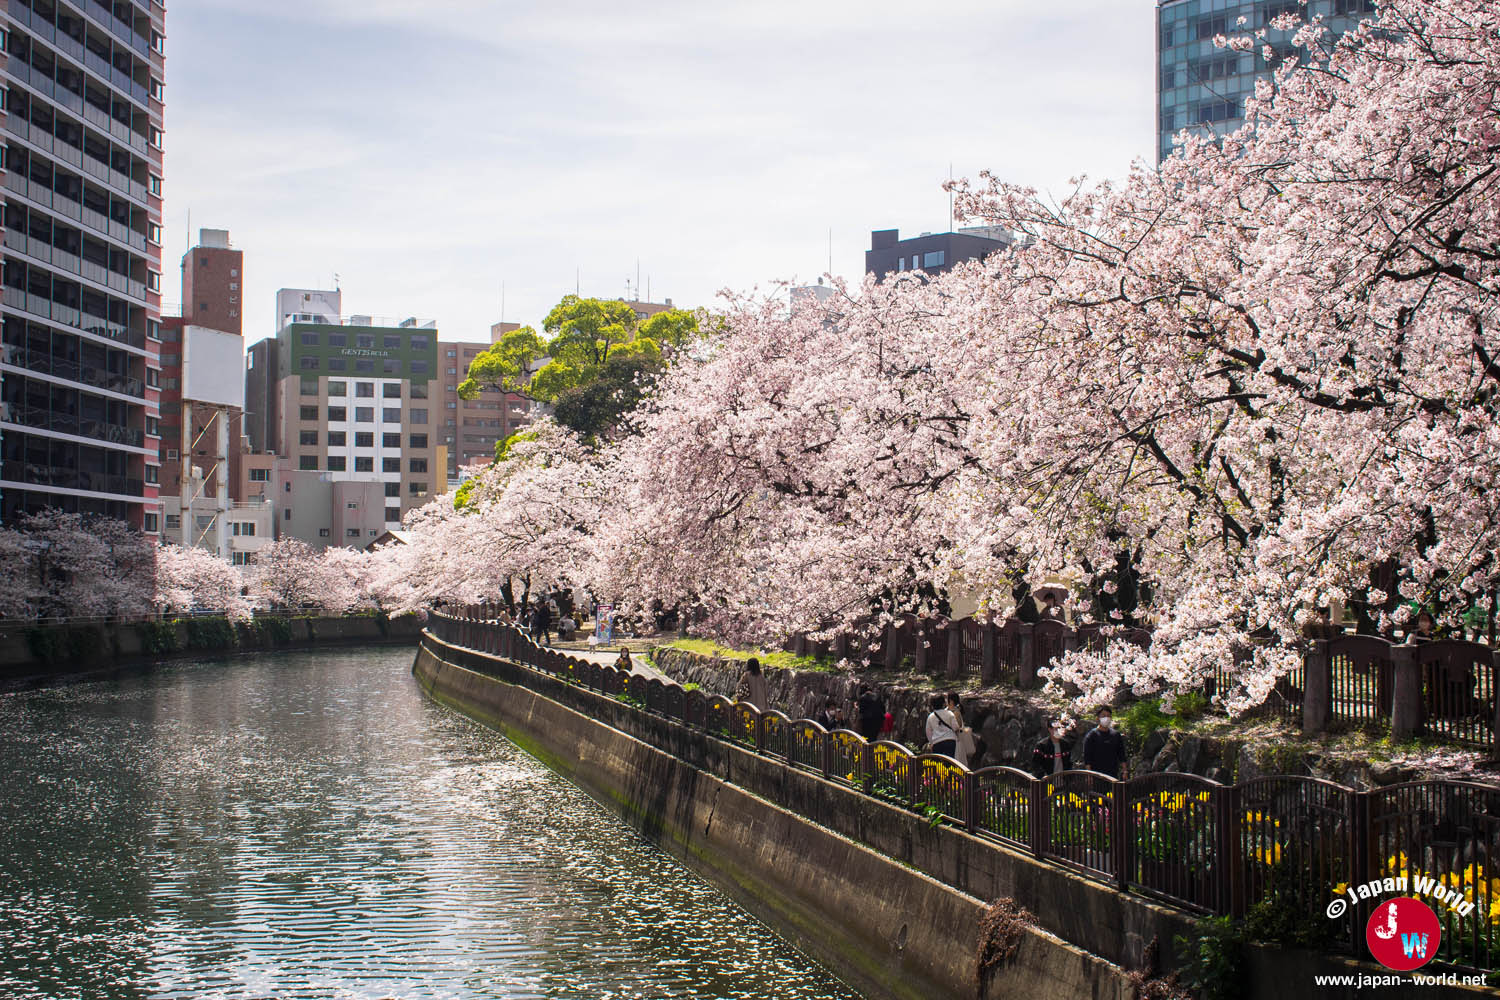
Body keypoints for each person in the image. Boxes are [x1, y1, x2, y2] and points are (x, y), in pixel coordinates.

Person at [1081, 706, 1127, 778]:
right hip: (1096, 774)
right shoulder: (1091, 735)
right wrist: (1089, 775)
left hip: (1113, 774)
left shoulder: (1116, 735)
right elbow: (1087, 757)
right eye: (1103, 716)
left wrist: (1125, 770)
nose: (1106, 718)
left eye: (1108, 716)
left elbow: (1121, 754)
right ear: (1098, 718)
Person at [924, 694, 960, 759]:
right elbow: (956, 727)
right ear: (943, 704)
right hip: (950, 741)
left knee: (938, 763)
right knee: (949, 762)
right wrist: (957, 737)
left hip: (937, 742)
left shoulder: (930, 717)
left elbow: (928, 732)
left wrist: (931, 743)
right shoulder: (949, 714)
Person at [947, 691, 976, 766]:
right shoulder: (955, 710)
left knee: (957, 762)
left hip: (956, 740)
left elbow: (958, 726)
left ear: (950, 700)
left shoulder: (955, 712)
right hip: (955, 740)